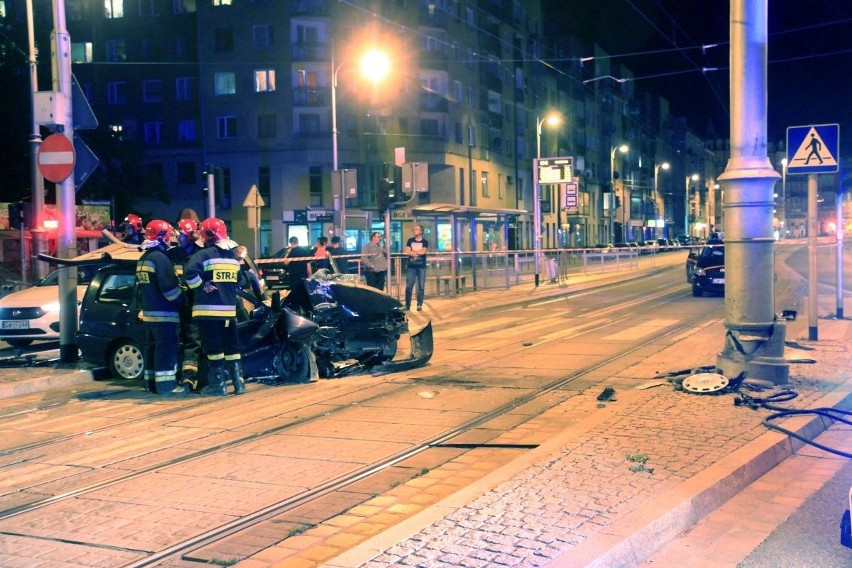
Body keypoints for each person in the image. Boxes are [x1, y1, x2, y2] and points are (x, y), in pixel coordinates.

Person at [184, 218, 244, 396]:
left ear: (206, 235)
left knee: (214, 349)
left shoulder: (202, 255)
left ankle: (218, 386)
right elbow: (240, 281)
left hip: (208, 312)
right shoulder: (233, 258)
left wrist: (202, 285)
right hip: (229, 312)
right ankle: (239, 385)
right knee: (232, 349)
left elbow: (189, 274)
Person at [136, 220, 184, 395]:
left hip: (149, 315)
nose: (171, 239)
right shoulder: (161, 259)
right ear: (162, 237)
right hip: (164, 315)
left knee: (152, 349)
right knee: (166, 350)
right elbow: (169, 289)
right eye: (169, 235)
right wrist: (182, 300)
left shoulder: (144, 258)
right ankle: (167, 386)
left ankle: (151, 384)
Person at [168, 218, 203, 394]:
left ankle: (189, 379)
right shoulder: (172, 254)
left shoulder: (200, 255)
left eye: (181, 234)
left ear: (190, 236)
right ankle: (178, 375)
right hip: (177, 308)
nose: (178, 237)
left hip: (196, 307)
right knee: (179, 342)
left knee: (193, 342)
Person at [404, 224, 429, 311]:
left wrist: (413, 252)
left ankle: (419, 304)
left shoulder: (425, 241)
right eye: (414, 229)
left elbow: (423, 252)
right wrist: (416, 252)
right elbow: (407, 251)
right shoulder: (410, 240)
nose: (415, 230)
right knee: (409, 286)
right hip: (411, 266)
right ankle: (407, 305)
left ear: (421, 231)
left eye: (417, 229)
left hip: (421, 266)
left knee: (421, 286)